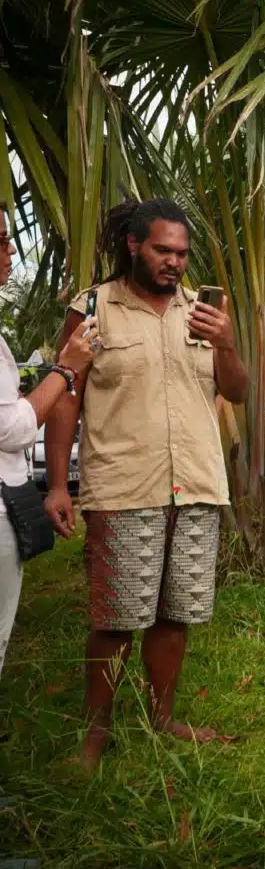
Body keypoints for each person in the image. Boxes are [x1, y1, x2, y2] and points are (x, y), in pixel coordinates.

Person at [44, 198, 249, 770]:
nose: (175, 263)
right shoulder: (93, 309)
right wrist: (58, 485)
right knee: (115, 618)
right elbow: (66, 395)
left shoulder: (201, 312)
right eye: (163, 250)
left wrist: (227, 344)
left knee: (174, 613)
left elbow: (236, 392)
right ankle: (96, 733)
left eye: (182, 253)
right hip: (124, 485)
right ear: (134, 245)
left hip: (196, 485)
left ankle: (162, 718)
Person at [1, 203, 99, 676]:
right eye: (1, 242)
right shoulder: (90, 307)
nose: (10, 250)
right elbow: (16, 428)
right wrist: (65, 368)